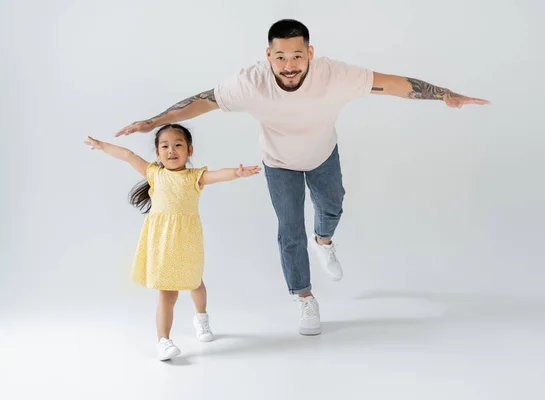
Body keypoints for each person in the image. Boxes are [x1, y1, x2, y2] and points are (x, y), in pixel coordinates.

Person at [114, 19, 490, 336]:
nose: (289, 65)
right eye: (280, 57)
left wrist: (444, 95)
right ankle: (305, 298)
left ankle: (324, 240)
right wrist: (154, 121)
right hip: (278, 163)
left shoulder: (336, 75)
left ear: (310, 53)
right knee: (289, 230)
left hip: (323, 155)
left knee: (332, 205)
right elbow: (203, 101)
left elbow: (393, 84)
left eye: (297, 55)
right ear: (268, 56)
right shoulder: (250, 82)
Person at [84, 124, 261, 360]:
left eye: (178, 145)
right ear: (157, 153)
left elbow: (218, 175)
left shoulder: (194, 177)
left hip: (187, 240)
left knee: (195, 283)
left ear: (190, 150)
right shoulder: (155, 174)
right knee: (167, 293)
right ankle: (163, 340)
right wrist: (102, 145)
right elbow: (128, 156)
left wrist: (238, 173)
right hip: (162, 242)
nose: (171, 150)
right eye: (164, 146)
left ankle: (201, 318)